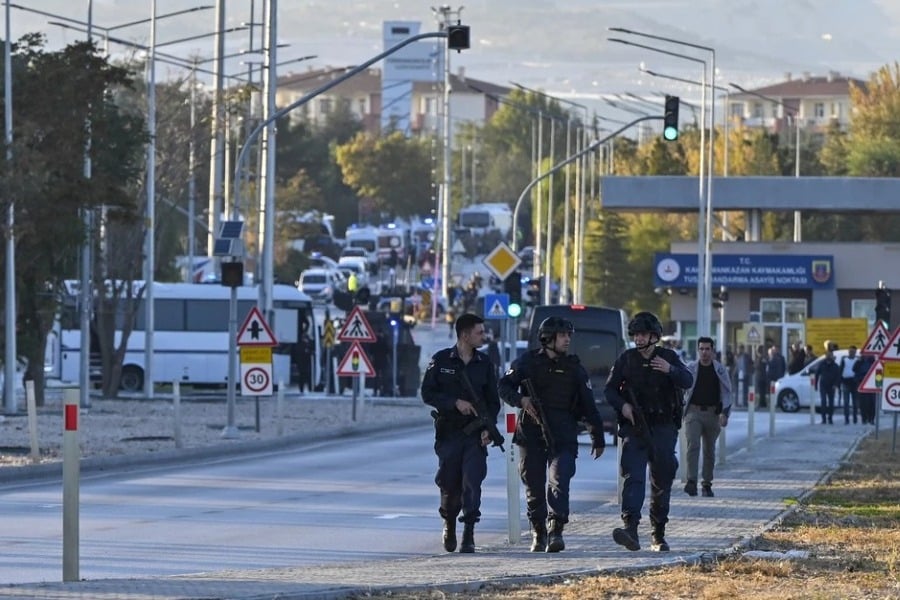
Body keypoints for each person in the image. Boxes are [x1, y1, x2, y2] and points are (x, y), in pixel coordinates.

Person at [498, 317, 605, 553]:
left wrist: (597, 436)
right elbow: (503, 385)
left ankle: (556, 529)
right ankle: (539, 532)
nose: (567, 339)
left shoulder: (574, 367)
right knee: (533, 486)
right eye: (562, 335)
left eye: (569, 335)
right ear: (548, 338)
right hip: (531, 434)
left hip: (563, 434)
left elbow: (588, 405)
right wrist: (521, 400)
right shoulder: (526, 362)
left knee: (560, 479)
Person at [604, 311, 693, 553]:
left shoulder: (668, 357)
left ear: (654, 336)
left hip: (663, 428)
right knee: (633, 476)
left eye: (643, 334)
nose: (639, 339)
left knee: (662, 479)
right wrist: (623, 406)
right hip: (635, 428)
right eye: (635, 335)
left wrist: (670, 370)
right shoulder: (627, 359)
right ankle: (630, 528)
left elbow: (687, 380)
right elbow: (610, 390)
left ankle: (658, 533)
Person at [420, 313, 501, 554]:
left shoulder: (484, 363)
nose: (483, 336)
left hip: (475, 435)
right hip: (449, 432)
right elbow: (427, 393)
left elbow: (492, 402)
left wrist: (488, 428)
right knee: (449, 482)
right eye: (479, 332)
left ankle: (469, 533)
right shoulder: (442, 360)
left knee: (472, 481)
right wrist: (454, 402)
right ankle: (449, 524)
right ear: (465, 335)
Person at [682, 337, 732, 498]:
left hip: (712, 413)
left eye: (707, 349)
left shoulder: (719, 370)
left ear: (712, 351)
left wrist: (725, 413)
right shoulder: (691, 368)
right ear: (698, 350)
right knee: (693, 444)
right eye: (701, 349)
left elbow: (727, 392)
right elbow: (681, 387)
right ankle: (691, 481)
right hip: (693, 412)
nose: (704, 352)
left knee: (709, 450)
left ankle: (707, 483)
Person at [814, 348, 841, 425]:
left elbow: (838, 376)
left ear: (832, 356)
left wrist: (836, 385)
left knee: (831, 403)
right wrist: (815, 385)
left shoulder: (835, 366)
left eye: (830, 355)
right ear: (825, 356)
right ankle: (823, 419)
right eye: (827, 355)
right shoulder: (821, 364)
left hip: (831, 386)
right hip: (823, 385)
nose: (829, 356)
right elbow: (817, 374)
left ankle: (830, 418)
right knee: (823, 402)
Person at [854, 353, 877, 425]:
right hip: (862, 384)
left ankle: (871, 419)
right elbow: (854, 370)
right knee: (863, 403)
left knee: (872, 403)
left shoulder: (873, 362)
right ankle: (864, 419)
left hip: (872, 385)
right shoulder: (859, 362)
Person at [839, 345, 860, 424]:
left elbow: (859, 371)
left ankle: (855, 419)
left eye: (853, 352)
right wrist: (840, 382)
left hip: (854, 383)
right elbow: (840, 371)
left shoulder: (857, 360)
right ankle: (846, 419)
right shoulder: (844, 360)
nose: (851, 353)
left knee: (855, 403)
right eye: (850, 351)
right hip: (845, 382)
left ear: (855, 352)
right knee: (846, 402)